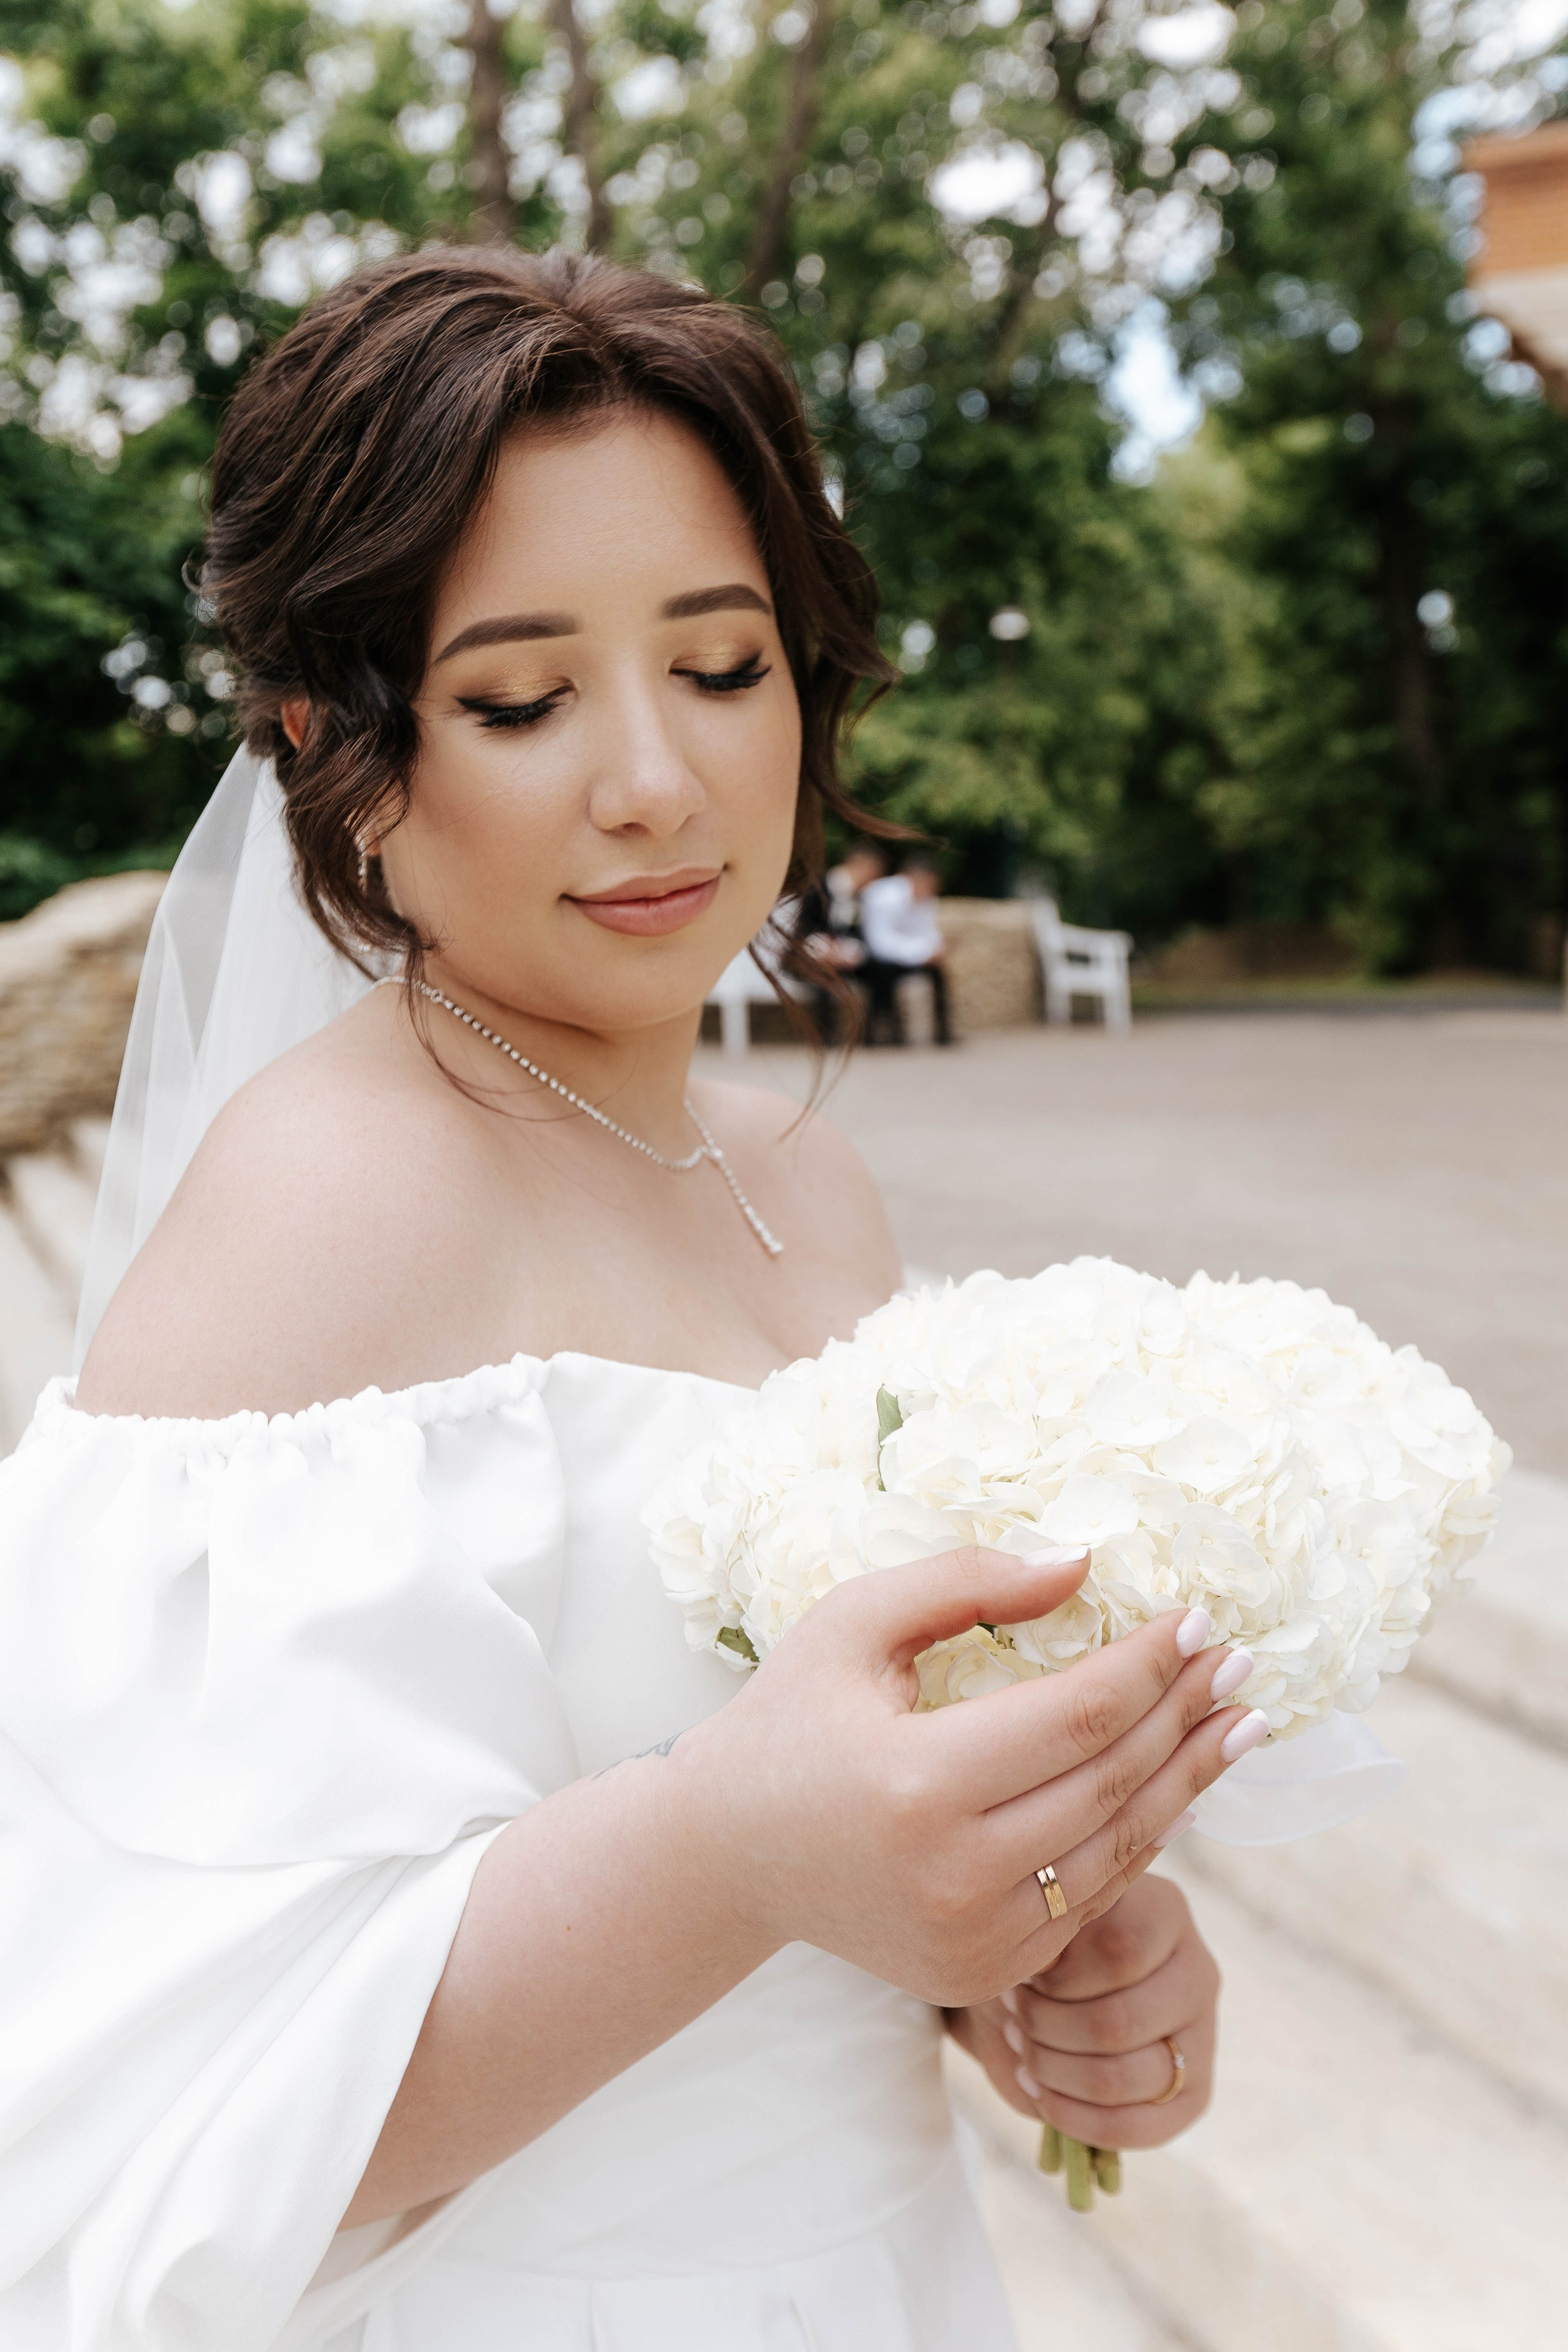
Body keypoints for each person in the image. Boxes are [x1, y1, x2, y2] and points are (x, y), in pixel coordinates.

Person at [0, 247, 1368, 2352]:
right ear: (333, 741)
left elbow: (822, 1892)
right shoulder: (330, 1194)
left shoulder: (809, 1182)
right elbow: (162, 2125)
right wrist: (735, 1852)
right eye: (525, 699)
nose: (655, 780)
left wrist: (1024, 1973)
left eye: (722, 667)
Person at [791, 836, 887, 1041]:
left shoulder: (858, 897)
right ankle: (826, 1035)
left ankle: (873, 1033)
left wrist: (850, 952)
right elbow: (803, 929)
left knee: (881, 971)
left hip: (842, 958)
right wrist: (825, 949)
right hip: (810, 957)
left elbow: (858, 935)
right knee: (824, 978)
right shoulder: (819, 887)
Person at [859, 853, 954, 1045]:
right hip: (879, 959)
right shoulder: (880, 896)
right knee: (883, 975)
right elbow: (880, 943)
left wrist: (935, 949)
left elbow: (928, 931)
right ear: (912, 878)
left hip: (909, 956)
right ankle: (883, 1032)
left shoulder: (926, 898)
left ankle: (943, 1031)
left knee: (938, 972)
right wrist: (921, 953)